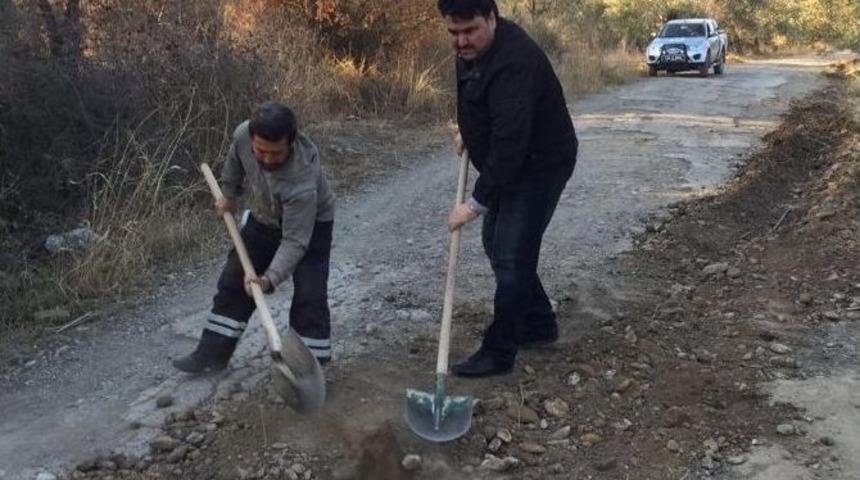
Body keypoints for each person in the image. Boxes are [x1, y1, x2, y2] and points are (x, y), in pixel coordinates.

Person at [438, 0, 578, 377]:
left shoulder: (516, 61)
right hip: (512, 163)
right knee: (496, 245)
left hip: (540, 165)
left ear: (491, 18)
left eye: (470, 31)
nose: (461, 41)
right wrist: (468, 132)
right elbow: (475, 99)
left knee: (511, 256)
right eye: (454, 32)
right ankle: (538, 323)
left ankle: (499, 352)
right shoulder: (471, 50)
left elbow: (511, 144)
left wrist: (474, 204)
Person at [173, 101, 335, 373]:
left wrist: (268, 279)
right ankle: (211, 354)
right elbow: (235, 162)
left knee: (310, 292)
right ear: (252, 139)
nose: (268, 160)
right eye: (261, 151)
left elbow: (295, 241)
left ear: (291, 142)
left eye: (276, 153)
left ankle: (310, 368)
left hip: (312, 224)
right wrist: (229, 194)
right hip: (265, 214)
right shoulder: (242, 136)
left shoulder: (301, 182)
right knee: (234, 278)